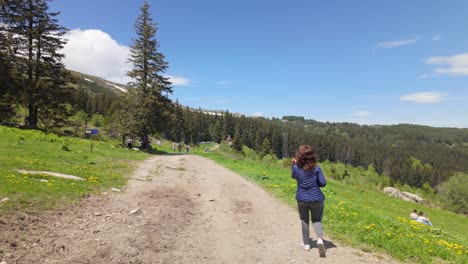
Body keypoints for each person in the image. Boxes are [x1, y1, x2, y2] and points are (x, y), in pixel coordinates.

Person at [291, 145, 327, 257]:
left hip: (302, 198)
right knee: (317, 220)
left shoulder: (296, 168)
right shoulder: (317, 168)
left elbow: (294, 176)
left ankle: (306, 244)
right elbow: (323, 183)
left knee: (304, 220)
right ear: (312, 156)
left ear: (300, 156)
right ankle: (320, 240)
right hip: (316, 198)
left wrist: (294, 165)